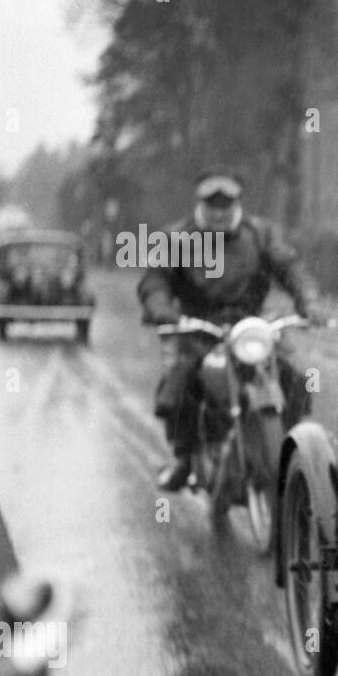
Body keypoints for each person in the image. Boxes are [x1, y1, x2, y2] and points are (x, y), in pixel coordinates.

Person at [138, 169, 325, 490]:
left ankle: (289, 445)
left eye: (227, 203)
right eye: (213, 203)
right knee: (181, 380)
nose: (220, 210)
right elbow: (155, 279)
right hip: (199, 327)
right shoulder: (176, 237)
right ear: (201, 203)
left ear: (238, 203)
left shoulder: (261, 233)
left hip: (251, 325)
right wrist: (161, 308)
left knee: (294, 374)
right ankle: (184, 458)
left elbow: (290, 267)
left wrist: (308, 300)